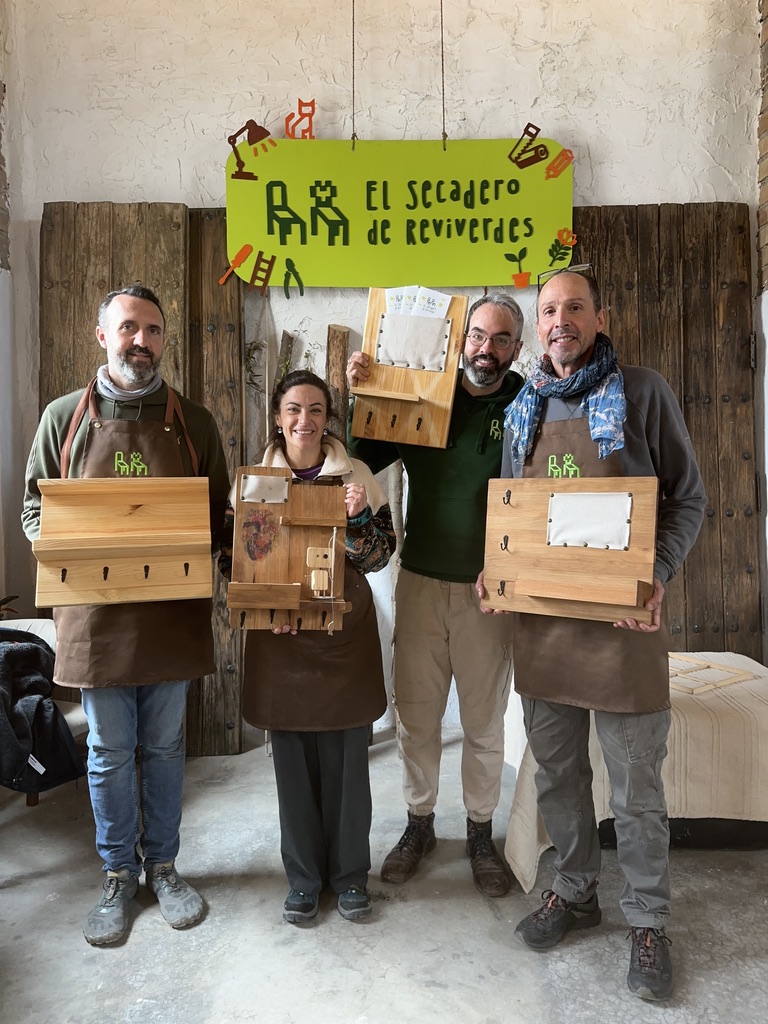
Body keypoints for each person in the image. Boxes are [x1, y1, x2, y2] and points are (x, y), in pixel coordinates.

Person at [483, 266, 706, 1000]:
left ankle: (647, 920)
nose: (561, 321)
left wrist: (658, 572)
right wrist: (497, 571)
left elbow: (688, 498)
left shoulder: (642, 392)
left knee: (636, 789)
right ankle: (575, 890)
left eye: (574, 307)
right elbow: (514, 513)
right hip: (544, 628)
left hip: (621, 627)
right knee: (558, 776)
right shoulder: (523, 407)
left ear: (600, 317)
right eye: (549, 310)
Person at [21, 285, 230, 946]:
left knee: (165, 747)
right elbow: (33, 509)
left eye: (153, 330)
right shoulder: (64, 418)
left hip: (170, 614)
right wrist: (78, 551)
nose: (142, 341)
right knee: (109, 751)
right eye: (128, 328)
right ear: (102, 335)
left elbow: (219, 513)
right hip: (96, 619)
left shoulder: (193, 423)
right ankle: (118, 874)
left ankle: (163, 866)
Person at [346, 293, 525, 897]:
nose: (486, 349)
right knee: (417, 717)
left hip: (489, 591)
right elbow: (361, 455)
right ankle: (419, 823)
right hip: (420, 581)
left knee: (483, 721)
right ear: (459, 338)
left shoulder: (527, 404)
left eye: (500, 339)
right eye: (477, 335)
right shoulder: (424, 395)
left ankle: (480, 832)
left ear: (516, 348)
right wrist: (366, 392)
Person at [222, 369, 396, 924]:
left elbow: (380, 556)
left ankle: (350, 877)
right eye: (294, 409)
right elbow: (232, 561)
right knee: (293, 768)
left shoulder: (357, 475)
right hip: (282, 642)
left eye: (316, 409)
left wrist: (359, 516)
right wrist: (267, 606)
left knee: (348, 768)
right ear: (278, 418)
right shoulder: (253, 482)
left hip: (342, 638)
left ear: (328, 418)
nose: (305, 420)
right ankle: (302, 879)